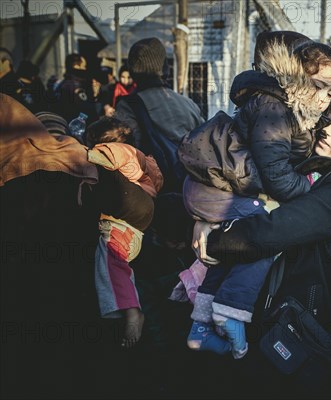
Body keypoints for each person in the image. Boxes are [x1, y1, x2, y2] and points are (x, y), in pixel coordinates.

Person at [193, 85, 331, 395]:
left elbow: (273, 230)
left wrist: (213, 239)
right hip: (299, 314)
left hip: (305, 320)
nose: (328, 129)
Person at [185, 32, 331, 359]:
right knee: (264, 233)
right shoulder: (274, 108)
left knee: (232, 243)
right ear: (295, 77)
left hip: (216, 186)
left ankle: (200, 326)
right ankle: (231, 309)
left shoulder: (289, 108)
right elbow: (276, 176)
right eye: (319, 86)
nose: (325, 97)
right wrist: (312, 190)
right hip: (212, 188)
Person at [85, 116, 163, 348]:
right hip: (135, 227)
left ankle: (131, 313)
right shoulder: (137, 158)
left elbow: (99, 157)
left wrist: (79, 153)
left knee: (112, 262)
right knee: (116, 261)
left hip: (122, 223)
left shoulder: (116, 151)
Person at [115, 37, 204, 192]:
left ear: (131, 71)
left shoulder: (128, 106)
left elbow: (125, 151)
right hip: (192, 188)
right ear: (165, 68)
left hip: (155, 191)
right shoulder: (188, 103)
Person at [51, 53, 99, 123]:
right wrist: (94, 95)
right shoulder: (77, 86)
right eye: (84, 66)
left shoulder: (62, 84)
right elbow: (87, 111)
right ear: (76, 66)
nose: (85, 69)